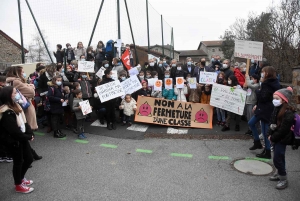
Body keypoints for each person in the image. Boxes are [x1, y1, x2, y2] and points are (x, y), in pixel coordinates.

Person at [0, 86, 35, 193]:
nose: (18, 94)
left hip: (21, 138)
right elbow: (14, 131)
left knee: (28, 158)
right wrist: (28, 136)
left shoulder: (16, 105)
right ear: (9, 96)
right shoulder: (6, 111)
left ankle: (21, 178)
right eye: (15, 93)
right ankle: (18, 184)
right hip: (14, 141)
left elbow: (24, 122)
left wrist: (30, 133)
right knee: (18, 161)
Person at [248, 66, 281, 159]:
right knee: (251, 123)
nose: (262, 73)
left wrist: (257, 91)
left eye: (263, 72)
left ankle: (267, 151)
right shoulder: (271, 83)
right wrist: (257, 105)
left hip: (265, 110)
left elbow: (263, 97)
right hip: (263, 109)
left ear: (267, 73)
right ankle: (257, 142)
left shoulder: (267, 84)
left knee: (265, 131)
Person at [267, 87, 295, 190]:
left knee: (277, 158)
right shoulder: (277, 108)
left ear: (284, 100)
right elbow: (272, 122)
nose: (274, 100)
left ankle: (283, 178)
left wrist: (272, 137)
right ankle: (279, 172)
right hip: (275, 138)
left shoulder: (288, 113)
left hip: (281, 139)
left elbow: (283, 130)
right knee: (279, 157)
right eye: (274, 98)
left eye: (277, 98)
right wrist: (269, 134)